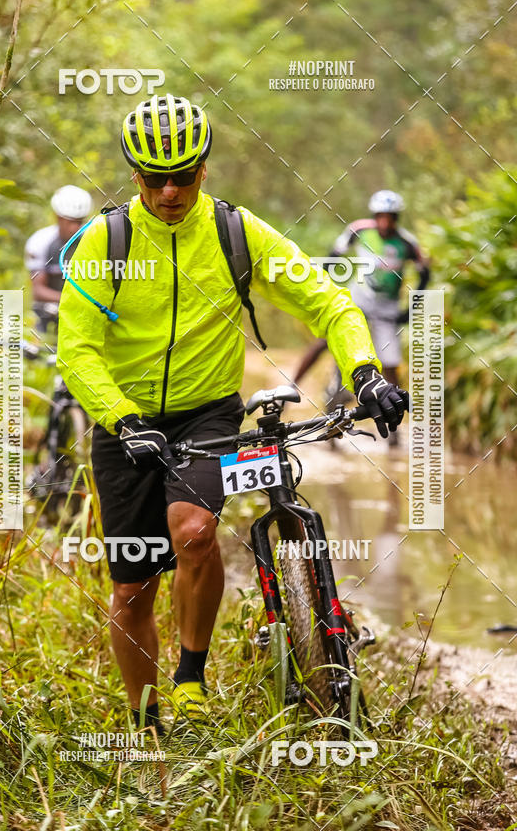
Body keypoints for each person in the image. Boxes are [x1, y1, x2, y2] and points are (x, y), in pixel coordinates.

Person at [57, 94, 409, 731]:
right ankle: (145, 718)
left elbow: (330, 303)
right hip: (123, 425)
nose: (170, 191)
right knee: (133, 587)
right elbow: (76, 348)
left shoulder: (233, 232)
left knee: (192, 531)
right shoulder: (106, 241)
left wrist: (364, 372)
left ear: (204, 168)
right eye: (154, 178)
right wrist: (120, 417)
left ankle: (190, 675)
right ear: (134, 175)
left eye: (183, 176)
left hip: (208, 414)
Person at [292, 190, 430, 442]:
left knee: (390, 362)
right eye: (380, 217)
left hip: (387, 309)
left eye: (390, 218)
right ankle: (293, 384)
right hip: (358, 301)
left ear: (396, 218)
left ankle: (393, 418)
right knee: (325, 341)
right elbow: (333, 257)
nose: (385, 223)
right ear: (374, 216)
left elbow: (425, 274)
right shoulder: (359, 230)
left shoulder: (407, 242)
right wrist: (327, 289)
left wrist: (410, 311)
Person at [25, 185, 93, 333]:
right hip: (49, 310)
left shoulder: (93, 240)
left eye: (79, 221)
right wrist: (76, 301)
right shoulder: (40, 241)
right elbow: (38, 290)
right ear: (58, 217)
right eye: (70, 221)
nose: (75, 228)